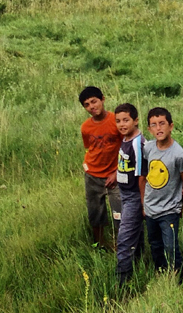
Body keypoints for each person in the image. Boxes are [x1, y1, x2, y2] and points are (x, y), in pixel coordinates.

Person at [141, 106, 183, 275]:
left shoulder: (179, 154)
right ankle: (160, 271)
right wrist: (143, 203)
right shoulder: (148, 148)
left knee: (170, 245)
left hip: (169, 209)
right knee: (154, 243)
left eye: (162, 123)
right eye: (154, 125)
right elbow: (145, 174)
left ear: (171, 126)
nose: (158, 128)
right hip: (150, 208)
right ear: (149, 129)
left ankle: (176, 276)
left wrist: (181, 205)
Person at [79, 85, 122, 247]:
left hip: (115, 175)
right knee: (95, 211)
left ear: (103, 99)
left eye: (94, 101)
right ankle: (99, 245)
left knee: (119, 211)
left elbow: (127, 148)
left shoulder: (116, 121)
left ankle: (122, 244)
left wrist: (118, 172)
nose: (92, 107)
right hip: (93, 175)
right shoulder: (86, 127)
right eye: (87, 105)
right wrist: (87, 166)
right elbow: (90, 148)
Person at [114, 103, 145, 285]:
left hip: (134, 196)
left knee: (124, 239)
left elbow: (142, 176)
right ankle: (138, 266)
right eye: (118, 121)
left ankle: (121, 283)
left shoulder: (137, 143)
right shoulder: (125, 139)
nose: (122, 124)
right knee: (136, 234)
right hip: (124, 194)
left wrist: (143, 203)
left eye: (126, 120)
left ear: (135, 120)